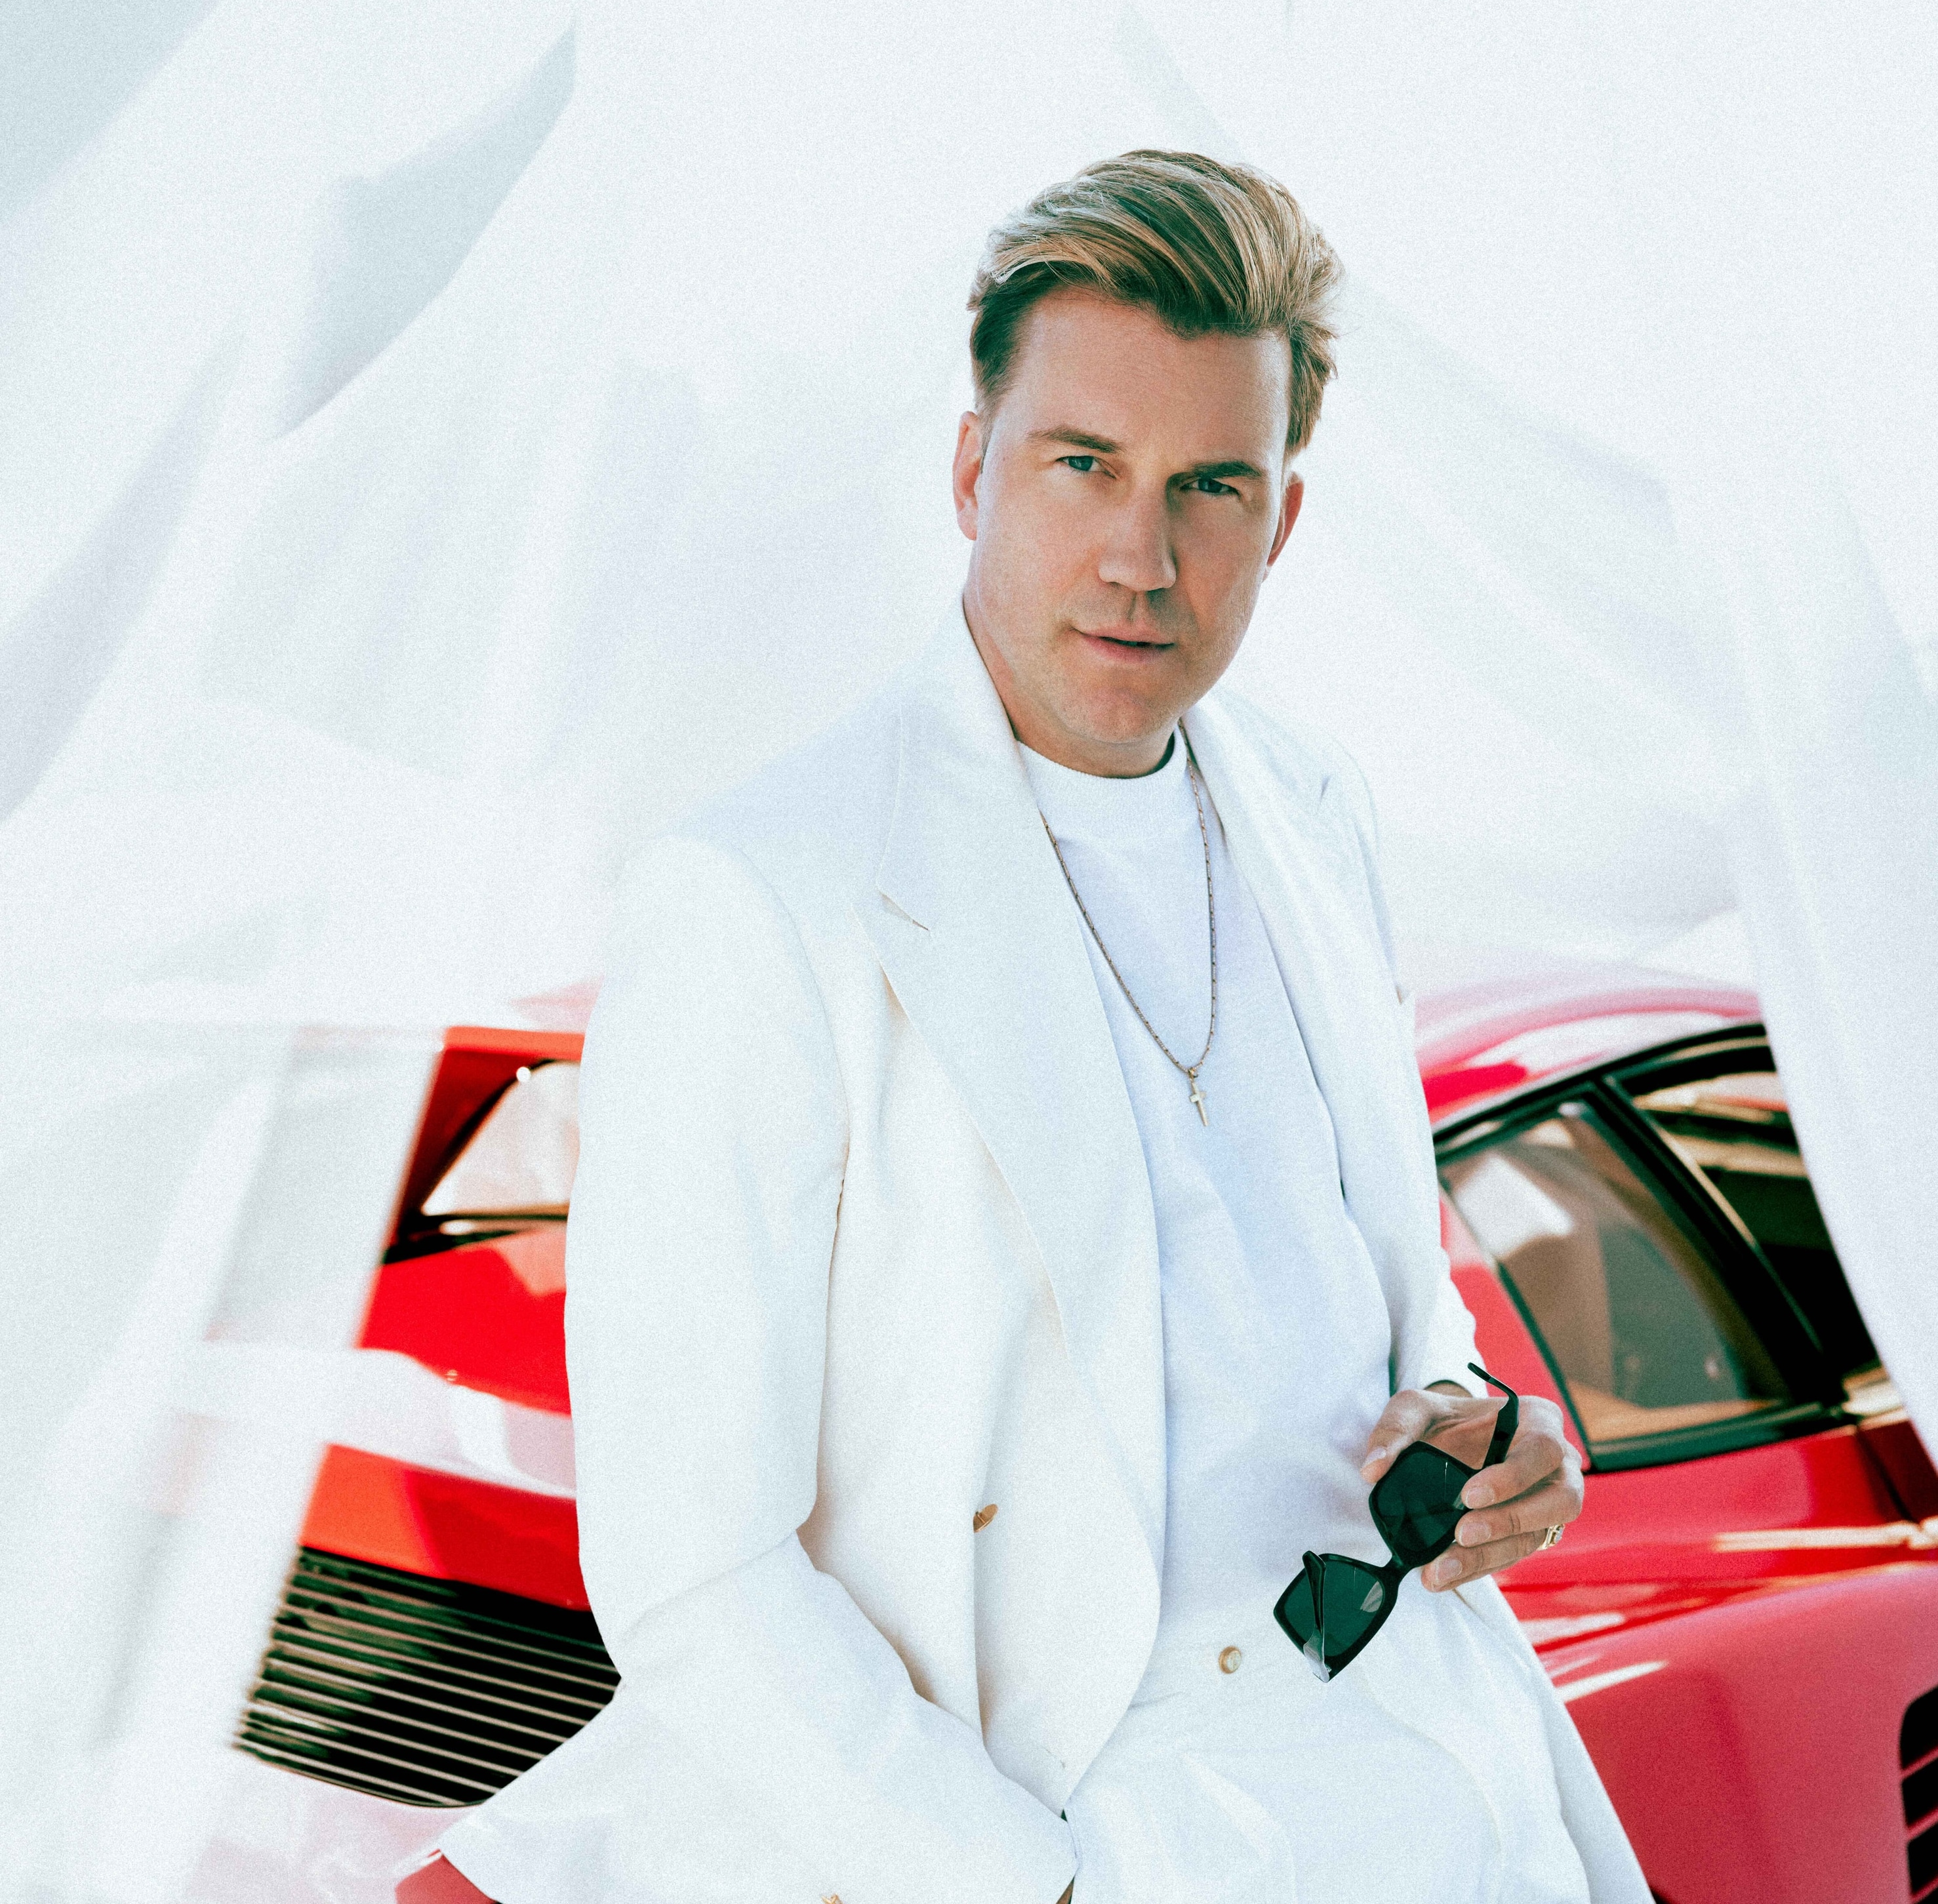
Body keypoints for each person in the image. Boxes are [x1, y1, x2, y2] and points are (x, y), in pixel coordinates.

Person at [404, 150, 1653, 1903]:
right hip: (1067, 1819)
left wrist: (1470, 1424)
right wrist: (1022, 1888)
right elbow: (693, 1570)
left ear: (1282, 520)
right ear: (970, 468)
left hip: (1449, 1778)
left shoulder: (1316, 814)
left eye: (1210, 485)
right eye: (1085, 466)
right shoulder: (759, 897)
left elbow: (1376, 1315)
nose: (1143, 556)